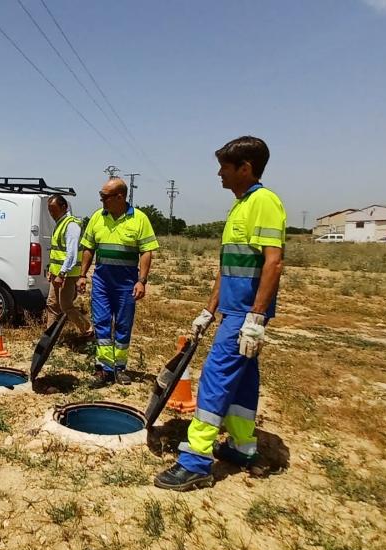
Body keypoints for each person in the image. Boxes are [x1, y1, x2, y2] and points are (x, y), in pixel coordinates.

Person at [155, 136, 286, 491]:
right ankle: (243, 448)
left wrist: (256, 319)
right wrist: (207, 310)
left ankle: (196, 461)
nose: (219, 174)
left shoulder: (264, 203)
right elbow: (229, 267)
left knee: (214, 380)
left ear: (245, 168)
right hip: (232, 312)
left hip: (245, 315)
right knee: (243, 383)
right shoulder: (240, 206)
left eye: (225, 168)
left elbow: (273, 262)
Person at [77, 178, 159, 387]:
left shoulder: (139, 219)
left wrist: (142, 280)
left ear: (120, 197)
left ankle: (120, 368)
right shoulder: (97, 217)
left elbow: (146, 251)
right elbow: (89, 248)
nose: (101, 200)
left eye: (105, 196)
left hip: (126, 284)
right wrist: (82, 275)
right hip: (102, 282)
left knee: (123, 325)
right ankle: (104, 369)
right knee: (102, 324)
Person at [45, 194, 91, 339]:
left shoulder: (71, 225)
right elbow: (57, 252)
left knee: (66, 306)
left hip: (67, 275)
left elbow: (70, 254)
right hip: (57, 274)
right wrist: (51, 270)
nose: (52, 213)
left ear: (64, 207)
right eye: (49, 210)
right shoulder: (60, 223)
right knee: (52, 304)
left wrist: (62, 274)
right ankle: (49, 337)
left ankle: (88, 329)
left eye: (54, 209)